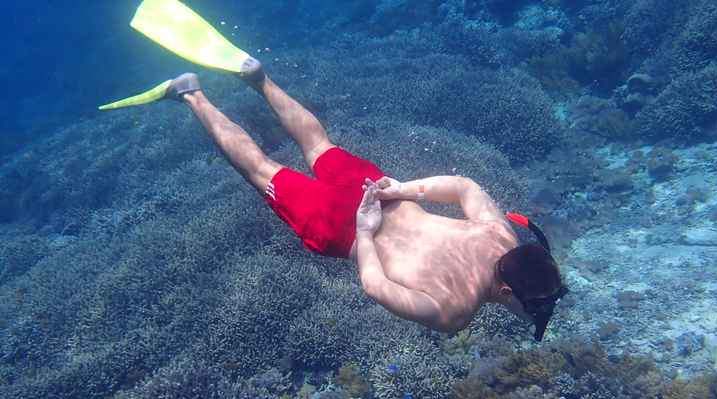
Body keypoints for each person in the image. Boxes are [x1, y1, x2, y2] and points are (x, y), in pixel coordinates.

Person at [164, 58, 567, 340]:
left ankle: (258, 79)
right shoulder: (455, 311)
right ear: (509, 294)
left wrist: (401, 189)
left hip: (379, 191)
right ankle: (192, 95)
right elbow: (374, 286)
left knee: (318, 144)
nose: (537, 315)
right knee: (262, 170)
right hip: (347, 227)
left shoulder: (503, 237)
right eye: (536, 309)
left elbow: (465, 188)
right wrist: (364, 231)